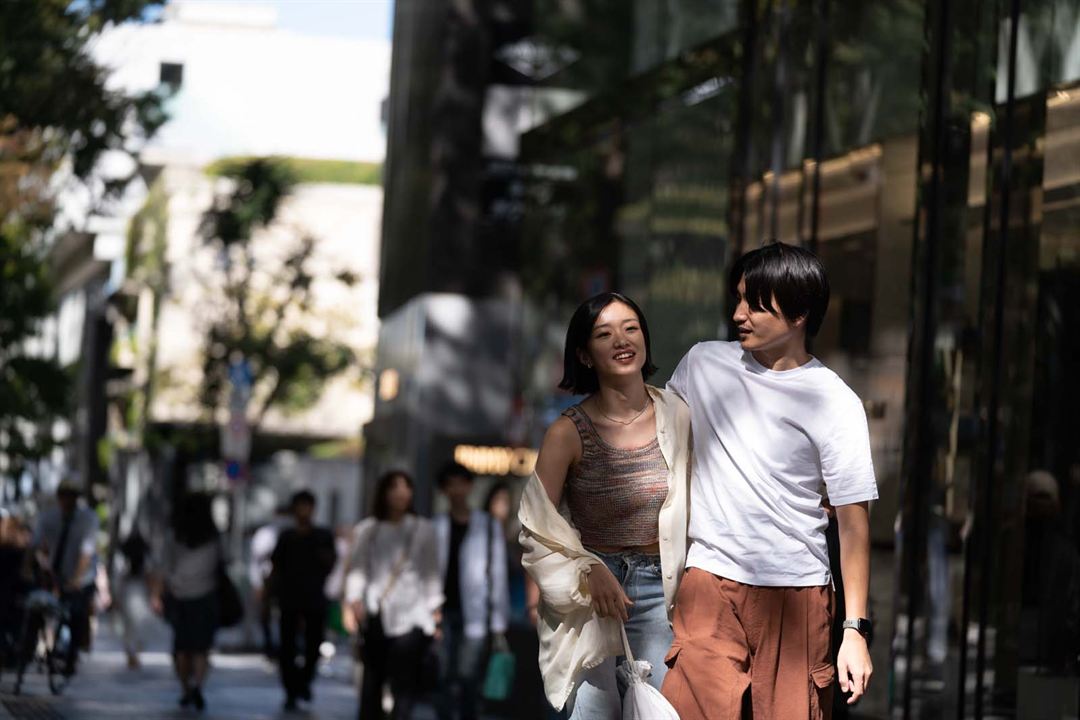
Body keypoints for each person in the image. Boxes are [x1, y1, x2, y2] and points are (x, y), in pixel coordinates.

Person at [660, 241, 878, 719]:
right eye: (737, 298)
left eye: (755, 303)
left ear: (799, 313)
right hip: (709, 580)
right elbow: (657, 435)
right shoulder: (703, 363)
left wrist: (854, 630)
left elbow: (854, 523)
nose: (739, 314)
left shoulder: (834, 401)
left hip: (796, 592)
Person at [520, 292, 692, 718]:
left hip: (661, 591)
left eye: (631, 328)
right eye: (604, 333)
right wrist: (587, 568)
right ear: (584, 353)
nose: (622, 339)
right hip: (591, 598)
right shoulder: (567, 431)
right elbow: (535, 524)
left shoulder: (679, 415)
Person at [345, 470, 442, 720]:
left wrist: (435, 609)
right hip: (376, 611)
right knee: (372, 682)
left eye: (406, 487)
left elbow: (431, 571)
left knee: (405, 685)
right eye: (394, 487)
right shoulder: (369, 529)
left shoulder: (424, 529)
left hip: (412, 615)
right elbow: (358, 568)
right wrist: (354, 599)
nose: (401, 493)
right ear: (383, 492)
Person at [433, 463, 510, 720]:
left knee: (469, 679)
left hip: (476, 613)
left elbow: (497, 573)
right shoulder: (436, 526)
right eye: (450, 484)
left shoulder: (487, 526)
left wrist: (498, 621)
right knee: (443, 676)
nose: (456, 489)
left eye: (461, 483)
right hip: (441, 612)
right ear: (444, 490)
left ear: (469, 486)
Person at [151, 492, 223, 712]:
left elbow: (163, 568)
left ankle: (185, 689)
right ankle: (198, 686)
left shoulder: (174, 537)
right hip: (206, 596)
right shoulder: (214, 537)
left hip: (179, 597)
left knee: (182, 648)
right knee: (201, 648)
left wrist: (156, 594)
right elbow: (222, 564)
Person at [271, 490, 338, 711]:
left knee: (313, 646)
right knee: (287, 648)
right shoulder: (287, 536)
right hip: (289, 599)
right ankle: (291, 690)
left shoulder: (322, 535)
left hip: (314, 599)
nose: (303, 511)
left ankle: (304, 683)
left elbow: (331, 563)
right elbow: (276, 568)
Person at [31, 481, 99, 675]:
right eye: (64, 496)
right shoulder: (48, 517)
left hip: (81, 578)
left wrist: (76, 579)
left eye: (71, 496)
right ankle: (38, 648)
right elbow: (35, 545)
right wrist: (32, 567)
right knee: (41, 610)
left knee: (76, 615)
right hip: (55, 574)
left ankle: (71, 657)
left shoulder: (88, 518)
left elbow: (86, 552)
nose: (67, 500)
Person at [249, 504, 292, 659]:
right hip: (268, 579)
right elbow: (256, 560)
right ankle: (270, 646)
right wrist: (257, 583)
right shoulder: (266, 534)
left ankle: (285, 646)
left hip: (289, 582)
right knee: (266, 614)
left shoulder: (292, 533)